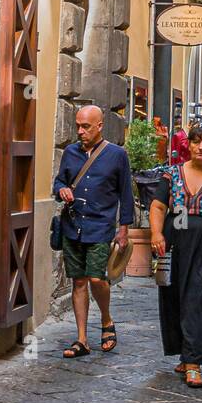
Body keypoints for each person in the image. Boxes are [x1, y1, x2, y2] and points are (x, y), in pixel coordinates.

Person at [149, 121, 202, 390]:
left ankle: (193, 362)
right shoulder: (172, 173)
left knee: (200, 297)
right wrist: (156, 234)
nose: (200, 147)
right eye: (196, 142)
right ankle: (185, 352)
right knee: (175, 298)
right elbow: (158, 206)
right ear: (189, 145)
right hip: (175, 241)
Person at [53, 104, 134, 358]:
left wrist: (124, 229)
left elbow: (126, 194)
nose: (80, 131)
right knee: (78, 281)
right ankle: (82, 339)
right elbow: (59, 181)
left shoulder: (117, 155)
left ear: (100, 126)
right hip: (73, 226)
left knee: (98, 278)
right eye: (77, 125)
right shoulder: (70, 153)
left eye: (86, 126)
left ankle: (107, 320)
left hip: (101, 226)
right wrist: (61, 190)